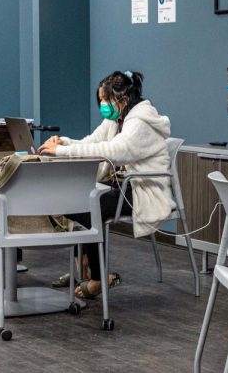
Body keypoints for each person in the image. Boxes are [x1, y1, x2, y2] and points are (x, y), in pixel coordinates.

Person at [37, 70, 174, 299]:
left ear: (122, 98)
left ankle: (100, 278)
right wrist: (64, 142)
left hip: (142, 189)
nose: (102, 104)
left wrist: (61, 151)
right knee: (74, 200)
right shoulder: (115, 119)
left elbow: (114, 152)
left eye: (105, 99)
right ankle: (84, 264)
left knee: (90, 207)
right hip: (120, 185)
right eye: (100, 99)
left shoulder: (141, 122)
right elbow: (92, 142)